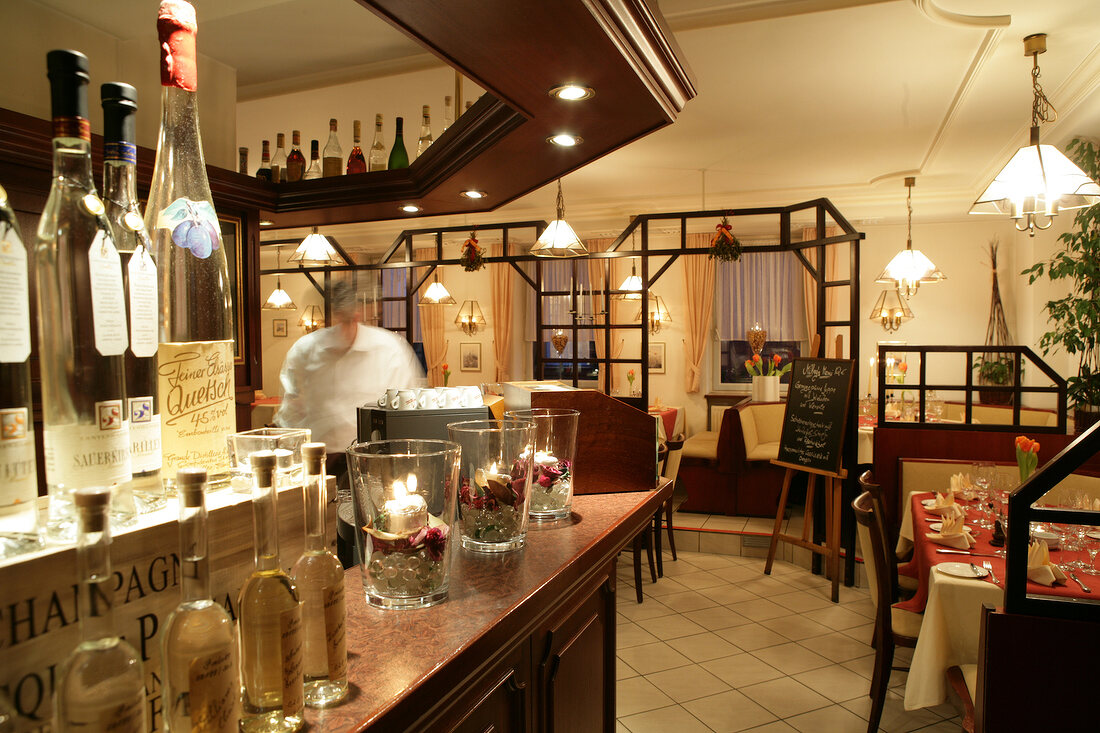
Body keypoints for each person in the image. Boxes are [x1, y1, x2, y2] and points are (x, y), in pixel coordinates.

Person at [276, 281, 424, 471]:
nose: (344, 327)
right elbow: (289, 414)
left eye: (350, 318)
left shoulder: (390, 349)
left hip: (372, 461)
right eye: (339, 318)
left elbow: (409, 412)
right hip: (317, 461)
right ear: (330, 315)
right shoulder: (304, 351)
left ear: (360, 312)